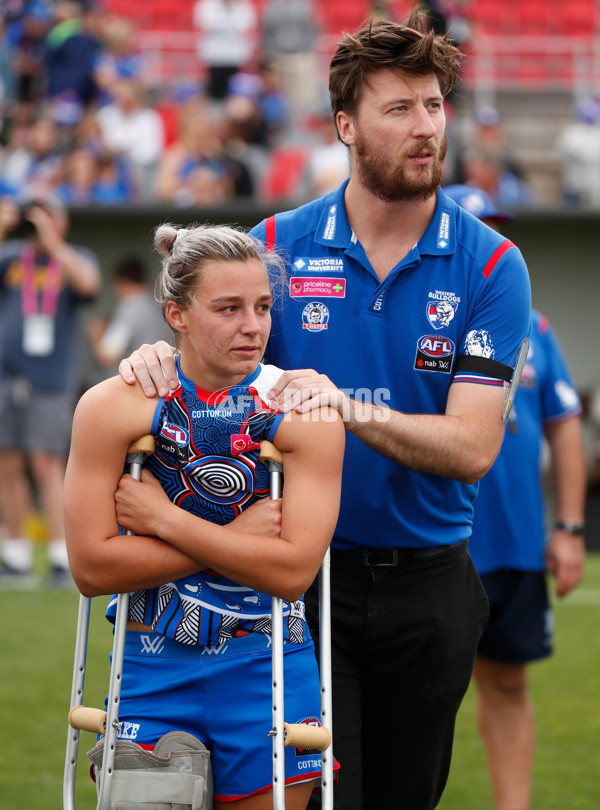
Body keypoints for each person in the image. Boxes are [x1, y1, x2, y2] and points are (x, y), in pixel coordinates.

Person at [118, 12, 532, 809]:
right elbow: (207, 376)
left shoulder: (492, 263)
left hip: (432, 582)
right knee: (308, 802)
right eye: (399, 109)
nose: (426, 128)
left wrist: (344, 408)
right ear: (345, 125)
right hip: (302, 582)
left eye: (435, 106)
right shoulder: (274, 242)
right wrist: (155, 361)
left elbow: (473, 446)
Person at [64, 222, 345, 808]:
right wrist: (236, 537)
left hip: (265, 665)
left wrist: (166, 520)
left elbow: (292, 572)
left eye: (264, 306)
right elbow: (91, 568)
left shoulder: (305, 411)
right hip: (149, 666)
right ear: (177, 315)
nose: (253, 325)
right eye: (228, 308)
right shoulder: (111, 407)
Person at [444, 183, 587, 810]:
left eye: (498, 228)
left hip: (517, 546)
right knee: (415, 697)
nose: (493, 243)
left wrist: (571, 527)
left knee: (507, 686)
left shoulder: (534, 324)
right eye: (479, 229)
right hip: (438, 547)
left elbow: (565, 422)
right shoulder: (424, 315)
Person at [0, 191, 100, 586]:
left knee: (46, 464)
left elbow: (89, 285)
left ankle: (61, 557)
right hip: (7, 375)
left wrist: (52, 241)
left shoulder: (75, 257)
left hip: (50, 379)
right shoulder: (11, 256)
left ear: (61, 221)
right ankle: (16, 555)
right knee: (6, 464)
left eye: (46, 216)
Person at [86, 255, 171, 376]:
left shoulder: (130, 307)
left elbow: (108, 356)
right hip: (161, 378)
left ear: (122, 281)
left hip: (134, 382)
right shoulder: (158, 305)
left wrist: (96, 334)